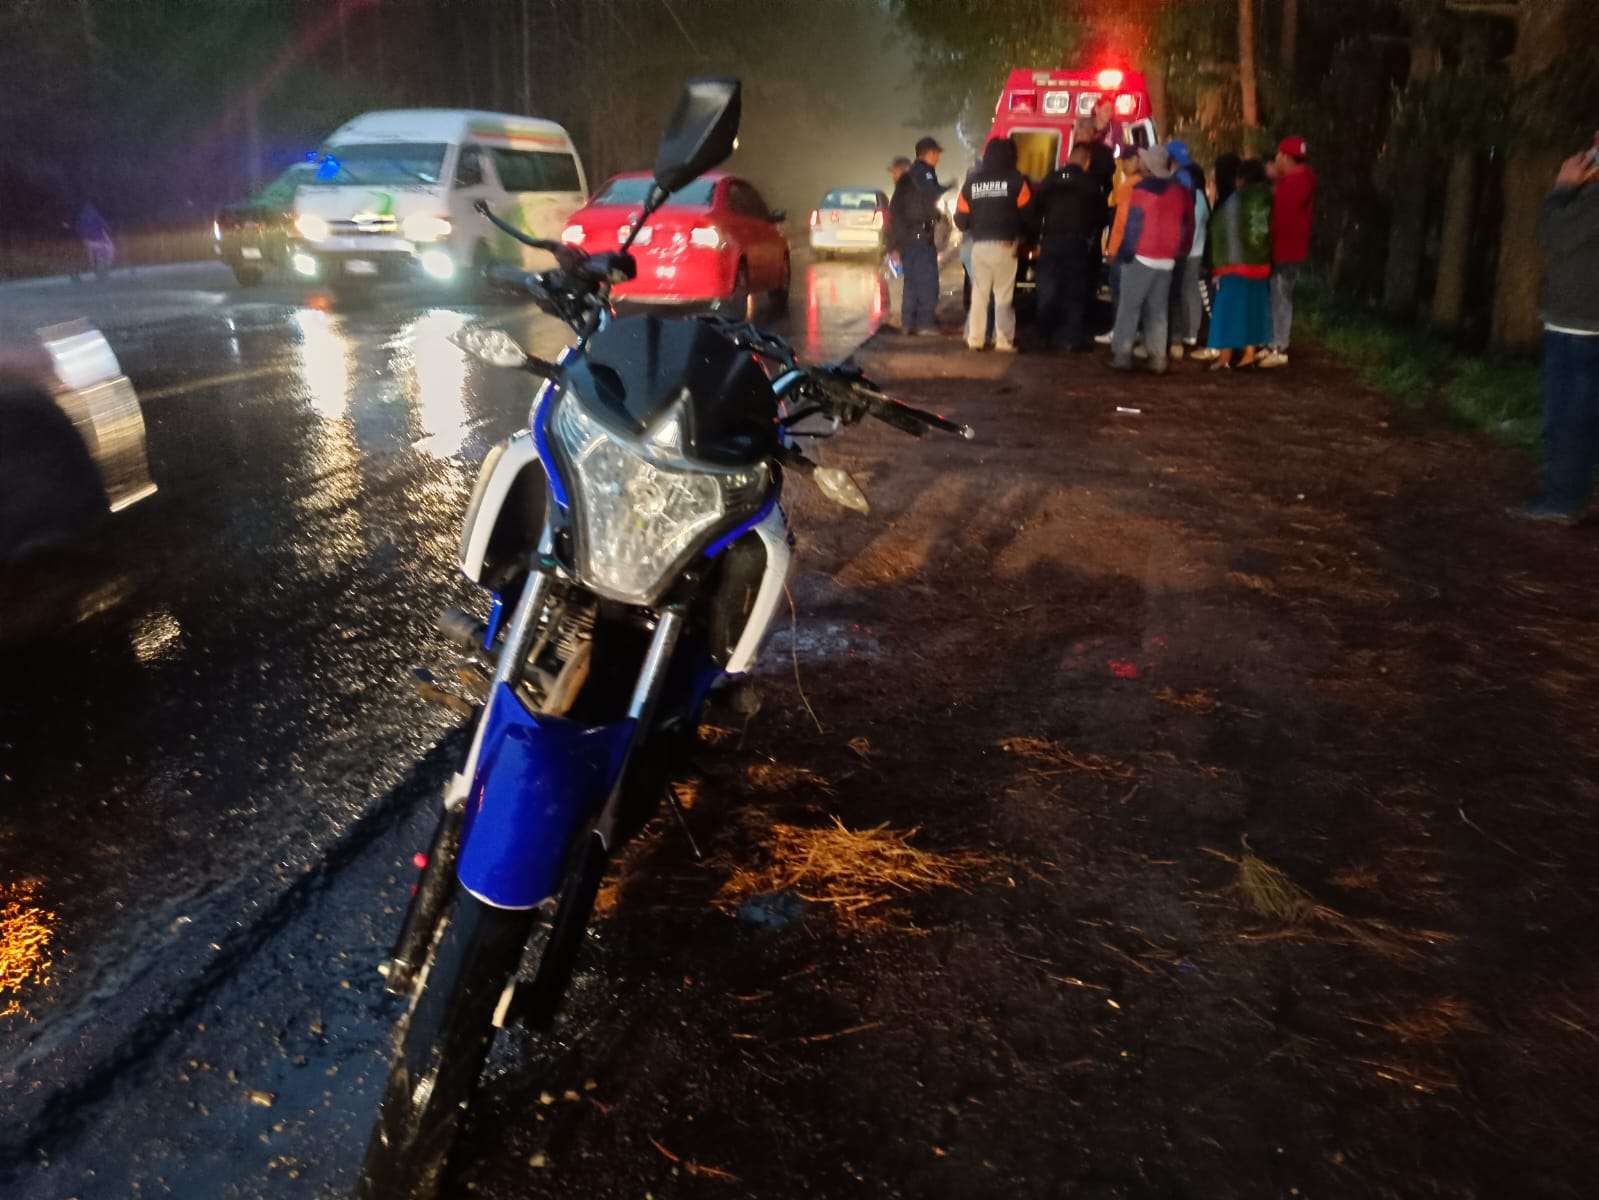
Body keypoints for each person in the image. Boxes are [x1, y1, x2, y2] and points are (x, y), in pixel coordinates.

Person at [1511, 143, 1599, 524]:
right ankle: (1567, 493)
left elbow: (1553, 235)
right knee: (1576, 415)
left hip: (1582, 325)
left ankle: (1563, 499)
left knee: (1569, 417)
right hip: (1577, 320)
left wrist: (1562, 187)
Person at [1109, 145, 1193, 374]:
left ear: (1148, 166)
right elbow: (1187, 225)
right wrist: (1180, 250)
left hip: (1142, 256)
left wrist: (1124, 253)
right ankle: (1158, 358)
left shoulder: (1142, 190)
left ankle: (1123, 354)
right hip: (1167, 258)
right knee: (1158, 311)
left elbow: (1133, 226)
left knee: (1129, 307)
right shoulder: (1180, 192)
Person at [954, 137, 1031, 353]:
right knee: (1003, 296)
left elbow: (960, 220)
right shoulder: (1016, 180)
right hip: (1006, 246)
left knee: (979, 295)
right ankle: (1004, 342)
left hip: (980, 246)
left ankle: (975, 340)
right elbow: (1028, 214)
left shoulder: (972, 183)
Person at [1205, 156, 1274, 370]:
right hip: (1261, 263)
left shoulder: (1237, 200)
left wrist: (1217, 263)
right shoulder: (1268, 197)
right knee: (1253, 308)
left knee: (1227, 309)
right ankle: (1249, 353)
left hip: (1235, 265)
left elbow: (1222, 231)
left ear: (1242, 179)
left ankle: (1225, 357)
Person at [1033, 143, 1101, 351]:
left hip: (1051, 241)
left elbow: (1036, 207)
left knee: (1047, 290)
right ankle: (1069, 339)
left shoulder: (1051, 179)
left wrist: (1037, 237)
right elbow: (1099, 216)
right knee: (1073, 292)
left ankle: (1043, 337)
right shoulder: (1090, 183)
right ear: (1086, 162)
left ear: (1068, 158)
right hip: (1076, 244)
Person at [1261, 135, 1317, 369]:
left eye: (1279, 155)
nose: (1276, 160)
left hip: (1286, 250)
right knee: (1278, 296)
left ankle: (1279, 346)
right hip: (1289, 249)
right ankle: (1275, 342)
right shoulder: (1299, 180)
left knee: (1281, 297)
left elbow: (1279, 219)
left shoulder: (1294, 184)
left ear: (1285, 156)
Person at [888, 136, 948, 336]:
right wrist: (936, 214)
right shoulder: (925, 174)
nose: (938, 158)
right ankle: (925, 325)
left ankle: (908, 323)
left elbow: (895, 210)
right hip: (921, 238)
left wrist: (894, 244)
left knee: (911, 283)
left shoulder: (909, 177)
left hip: (908, 240)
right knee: (927, 282)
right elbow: (927, 201)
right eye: (936, 154)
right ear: (928, 154)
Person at [1094, 151, 1144, 346]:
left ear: (1136, 161)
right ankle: (1133, 331)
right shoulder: (1143, 184)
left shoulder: (1129, 186)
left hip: (1124, 248)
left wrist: (1112, 251)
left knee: (1120, 293)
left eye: (1126, 161)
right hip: (1138, 248)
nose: (1123, 165)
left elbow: (1121, 223)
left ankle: (1120, 333)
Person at [1165, 141, 1208, 360]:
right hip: (1192, 249)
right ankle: (1187, 336)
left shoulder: (1179, 187)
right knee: (1188, 292)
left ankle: (1179, 337)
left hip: (1181, 249)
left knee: (1177, 294)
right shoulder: (1198, 194)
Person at [882, 156, 912, 330]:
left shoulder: (903, 192)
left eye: (894, 171)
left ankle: (898, 318)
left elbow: (899, 224)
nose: (892, 175)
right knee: (899, 282)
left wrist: (894, 248)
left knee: (897, 283)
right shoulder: (910, 190)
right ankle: (900, 316)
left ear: (903, 170)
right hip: (905, 246)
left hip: (899, 248)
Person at [76, 202, 114, 280]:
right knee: (106, 253)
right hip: (99, 239)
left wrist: (84, 238)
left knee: (96, 255)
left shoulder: (82, 217)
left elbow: (79, 229)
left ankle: (96, 271)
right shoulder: (95, 215)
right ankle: (104, 271)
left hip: (90, 241)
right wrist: (108, 229)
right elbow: (104, 224)